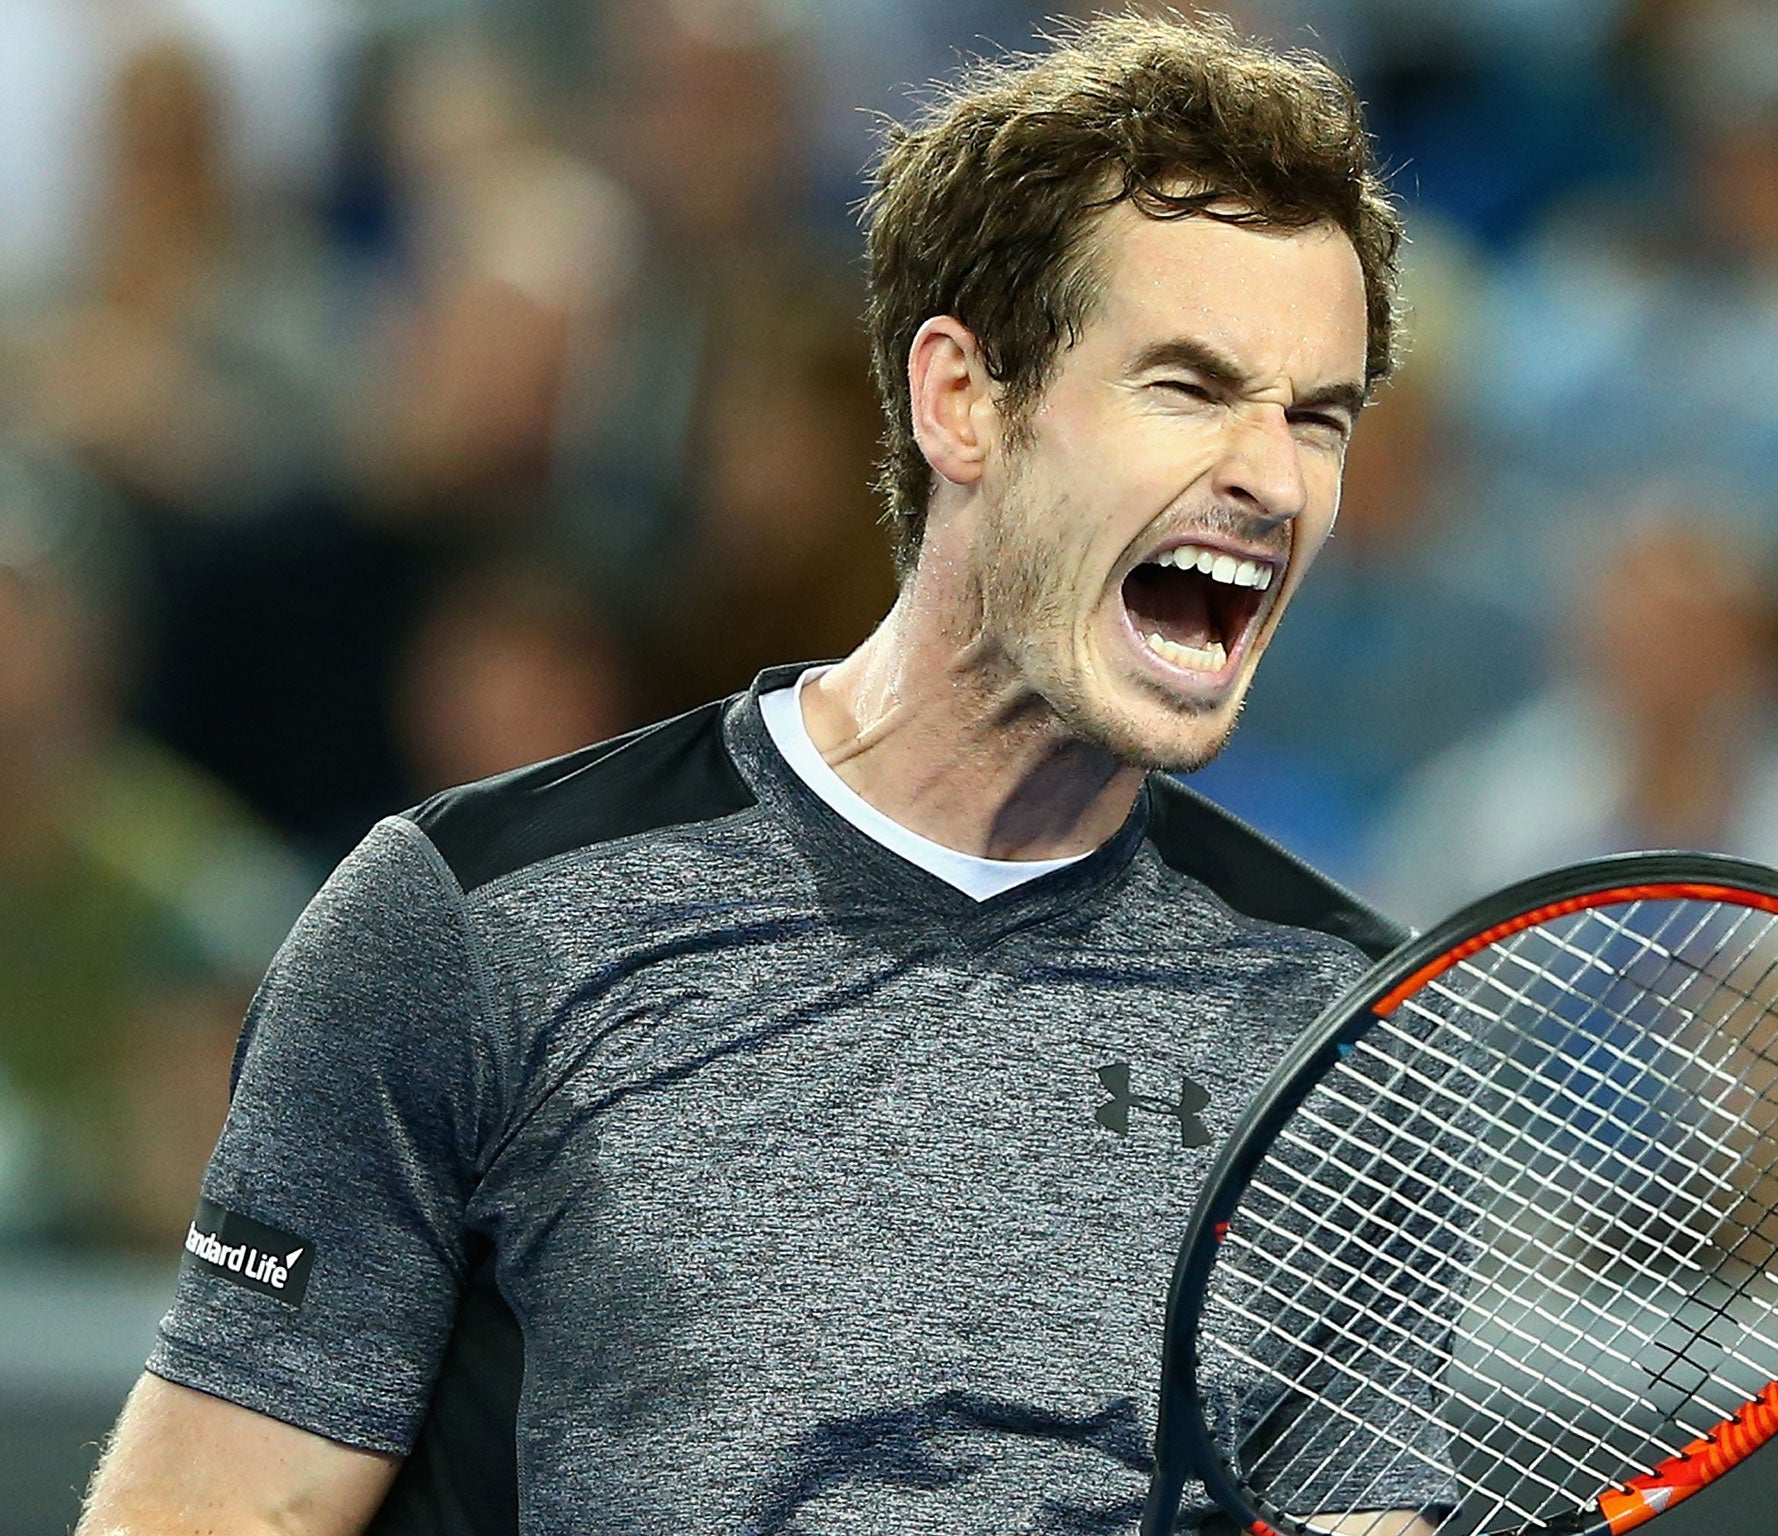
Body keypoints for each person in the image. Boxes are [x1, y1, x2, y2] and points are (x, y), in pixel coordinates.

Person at [78, 16, 1437, 1534]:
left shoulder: (1342, 1034)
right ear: (962, 400)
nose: (1273, 477)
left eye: (1319, 416)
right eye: (1188, 387)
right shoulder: (470, 920)